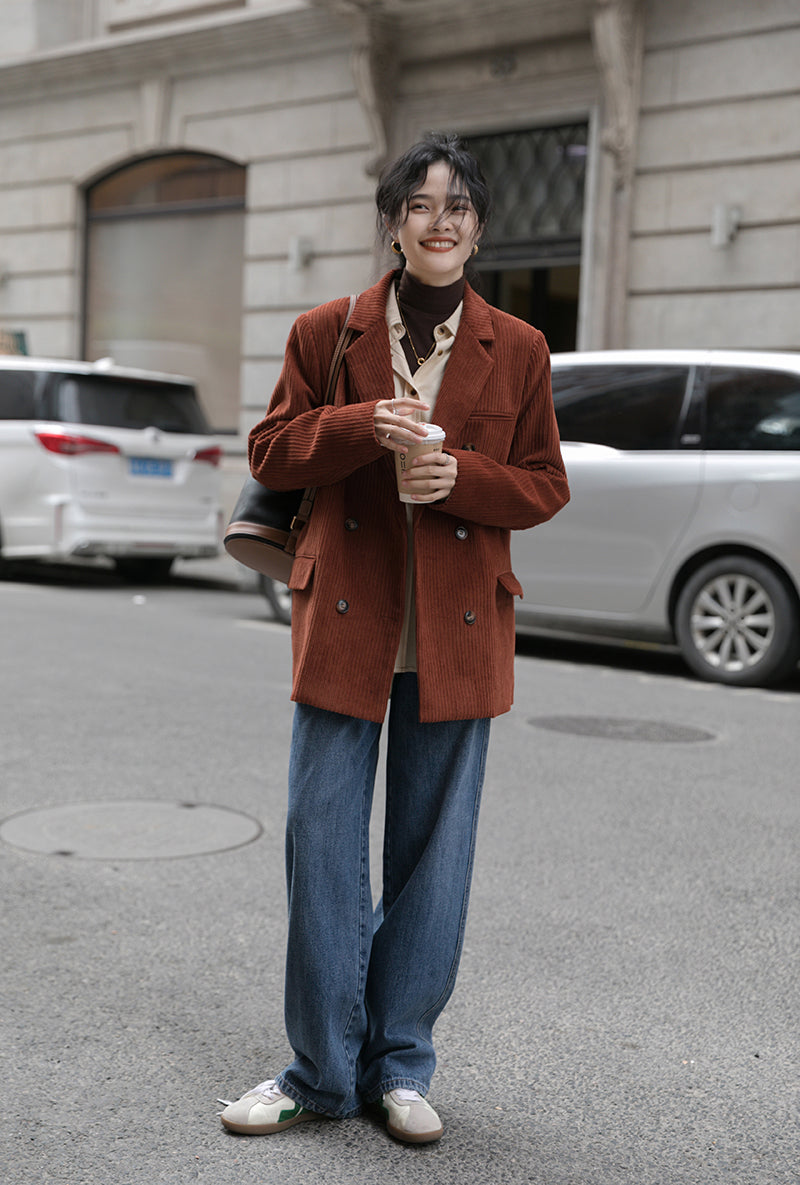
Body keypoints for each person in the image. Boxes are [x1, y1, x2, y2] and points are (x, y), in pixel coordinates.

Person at [219, 134, 569, 1145]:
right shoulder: (327, 331)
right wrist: (359, 423)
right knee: (321, 846)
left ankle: (401, 1064)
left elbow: (544, 484)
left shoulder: (520, 346)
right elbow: (271, 450)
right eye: (420, 204)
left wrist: (462, 477)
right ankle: (318, 1071)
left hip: (459, 634)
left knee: (432, 861)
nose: (439, 221)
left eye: (457, 206)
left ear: (479, 228)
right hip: (345, 620)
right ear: (392, 223)